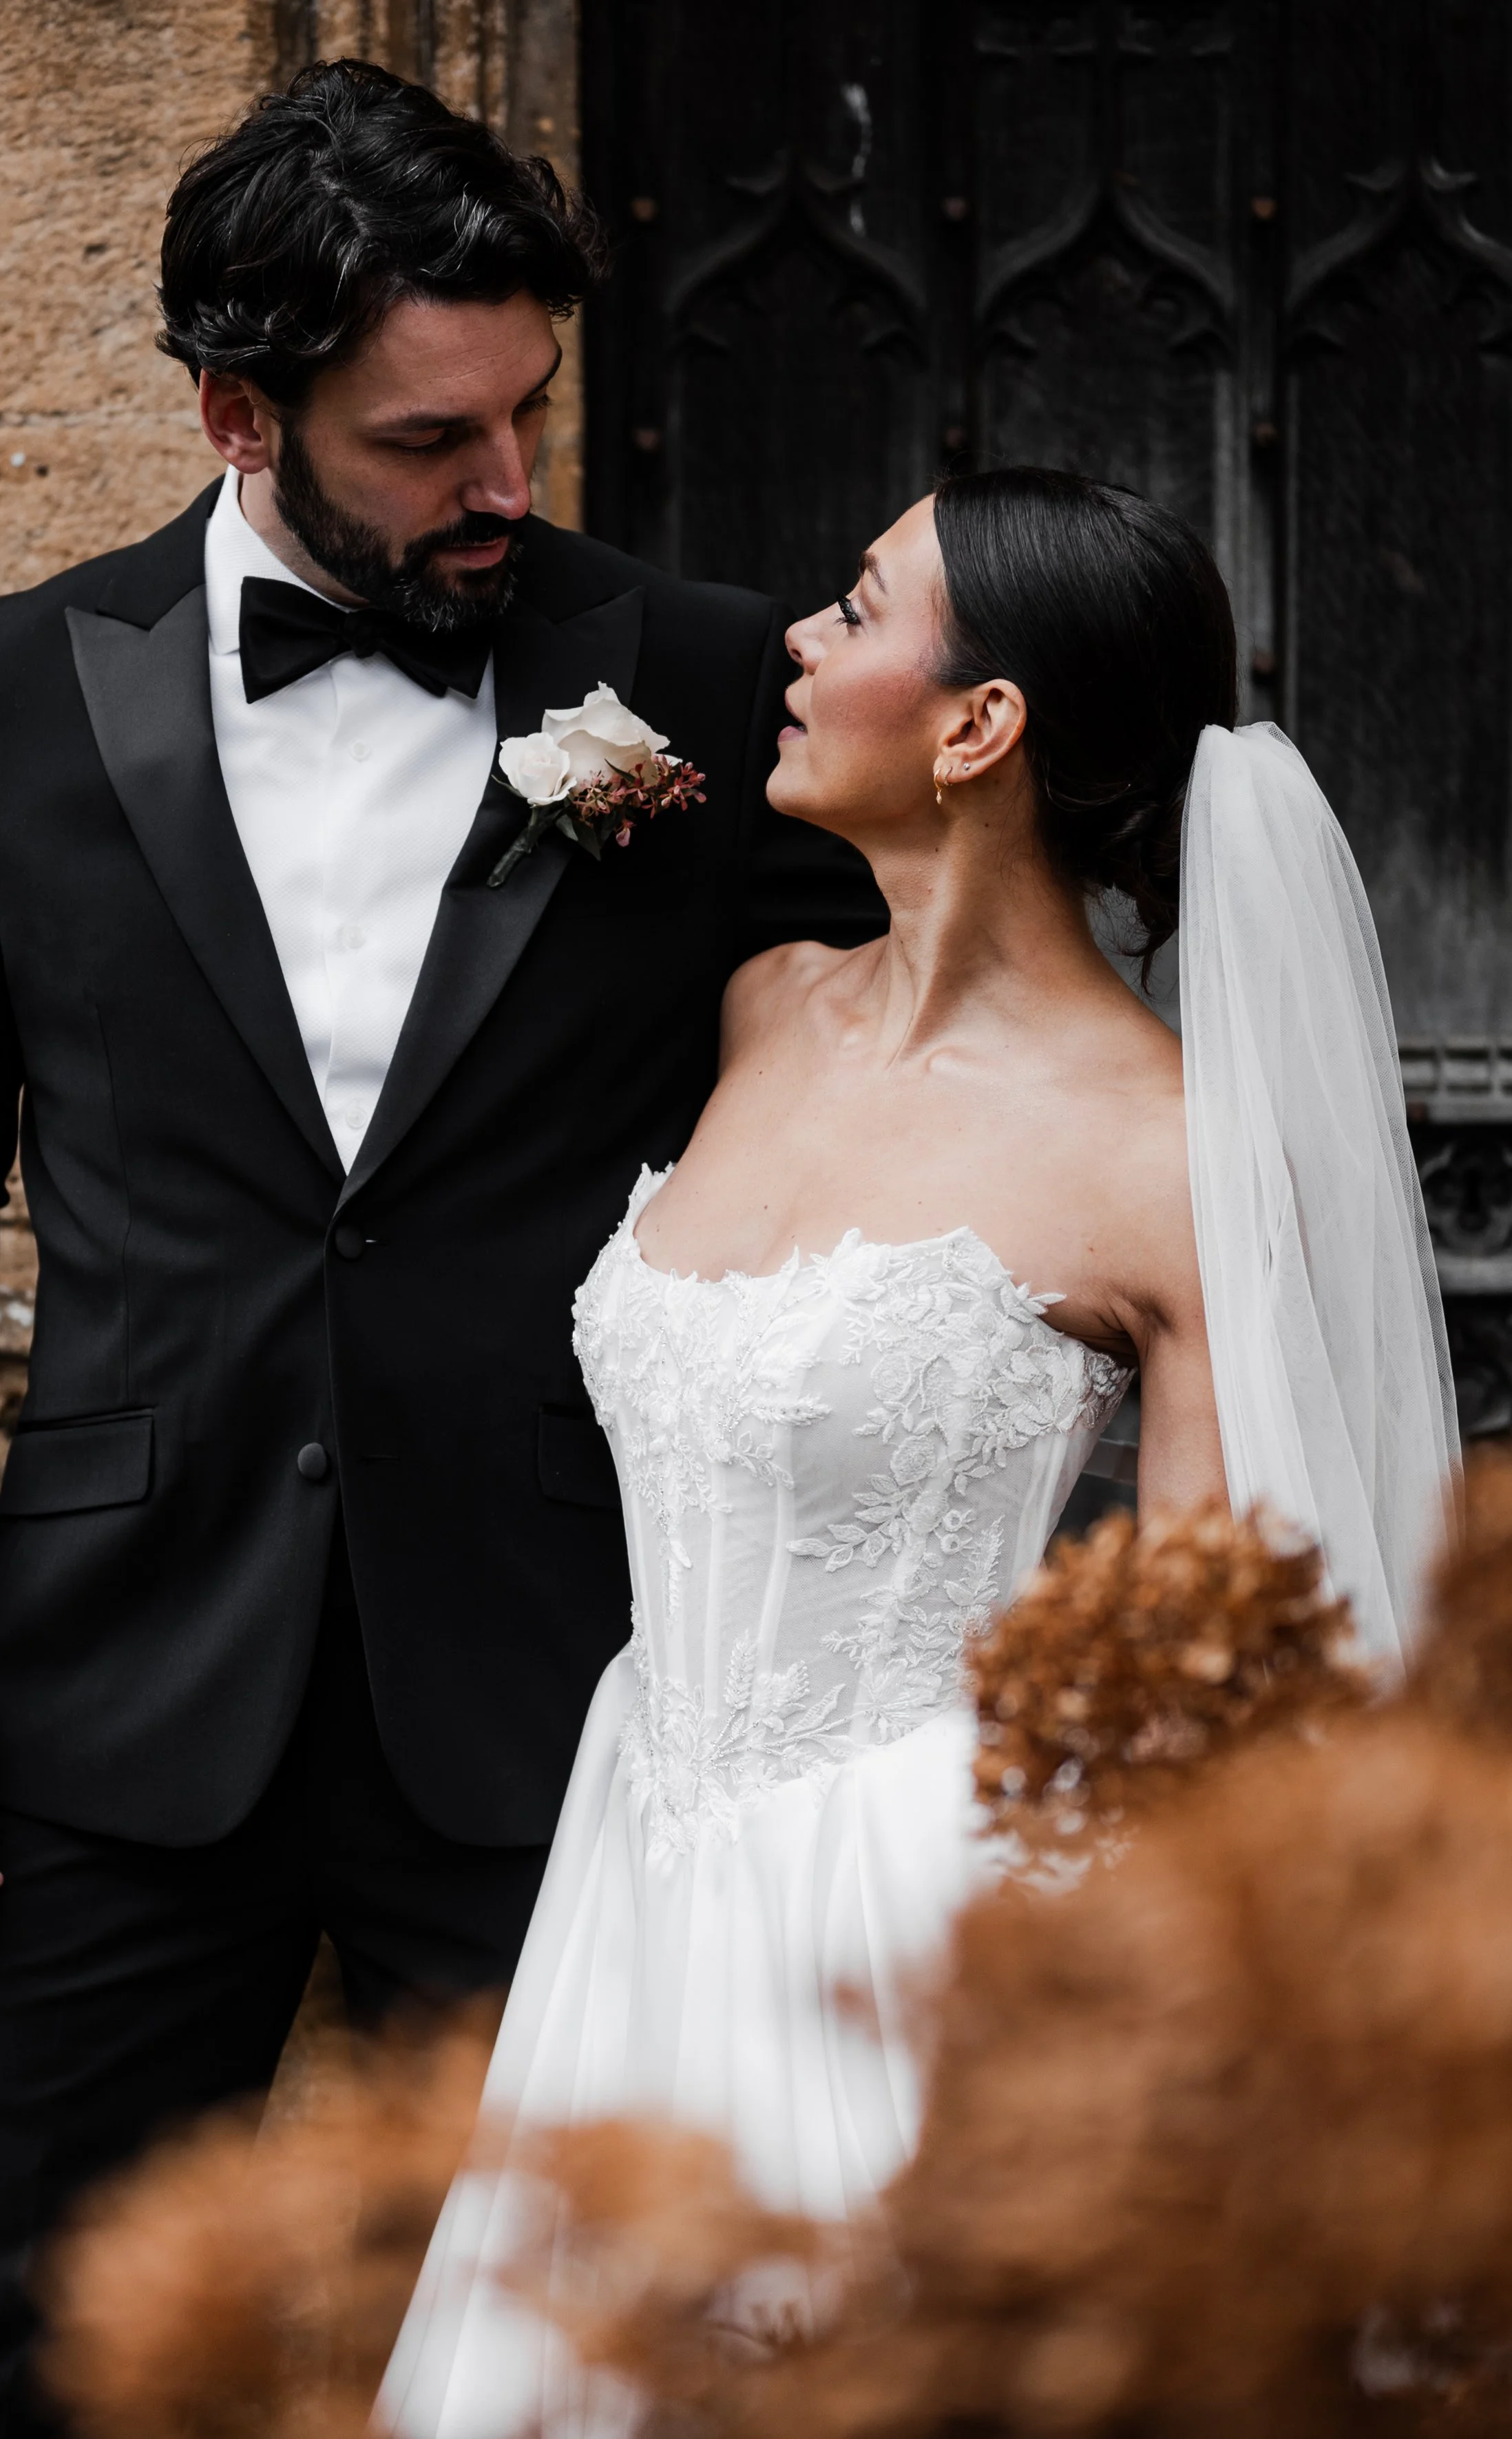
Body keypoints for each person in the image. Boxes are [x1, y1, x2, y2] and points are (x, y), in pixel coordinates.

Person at [0, 61, 885, 2439]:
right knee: (41, 2353)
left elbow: (883, 1084)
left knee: (552, 2360)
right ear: (232, 411)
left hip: (561, 1693)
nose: (503, 487)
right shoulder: (3, 688)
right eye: (426, 440)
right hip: (106, 1702)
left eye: (527, 417)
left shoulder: (696, 681)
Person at [379, 468, 1460, 2438]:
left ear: (980, 726)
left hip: (917, 1917)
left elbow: (1231, 1684)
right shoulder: (748, 1008)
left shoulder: (1162, 1152)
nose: (792, 640)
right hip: (633, 1860)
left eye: (855, 609)